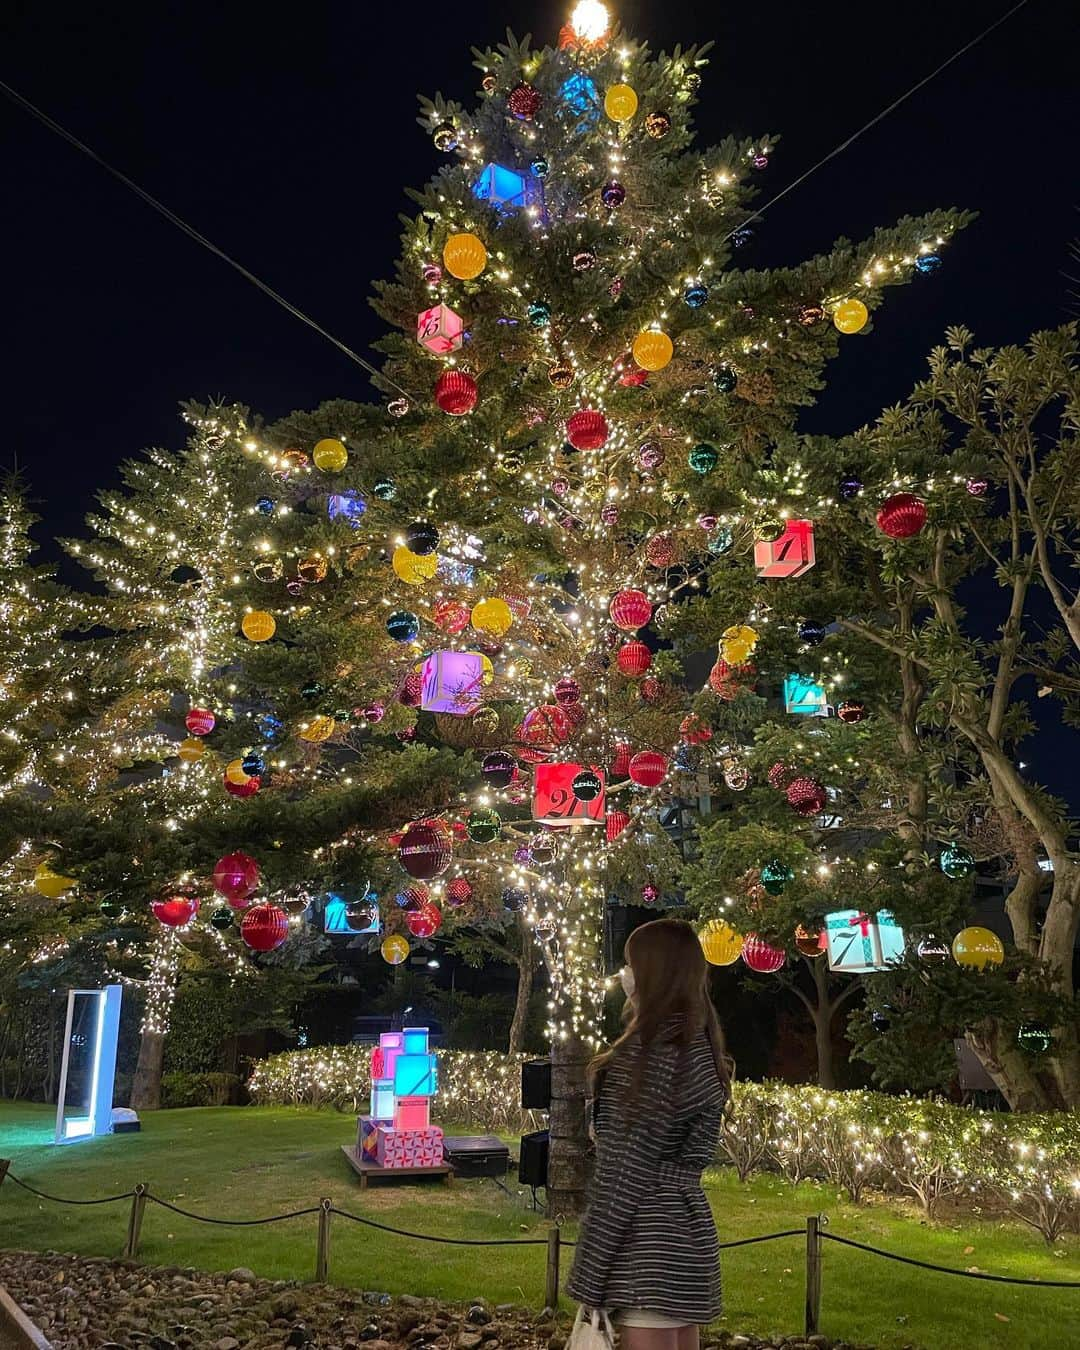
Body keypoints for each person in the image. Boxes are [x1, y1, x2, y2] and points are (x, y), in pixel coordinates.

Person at [566, 918, 733, 1349]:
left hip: (645, 1250)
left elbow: (622, 1178)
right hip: (688, 1237)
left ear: (651, 972)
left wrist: (590, 1278)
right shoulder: (699, 1047)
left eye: (629, 963)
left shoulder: (646, 1061)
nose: (624, 974)